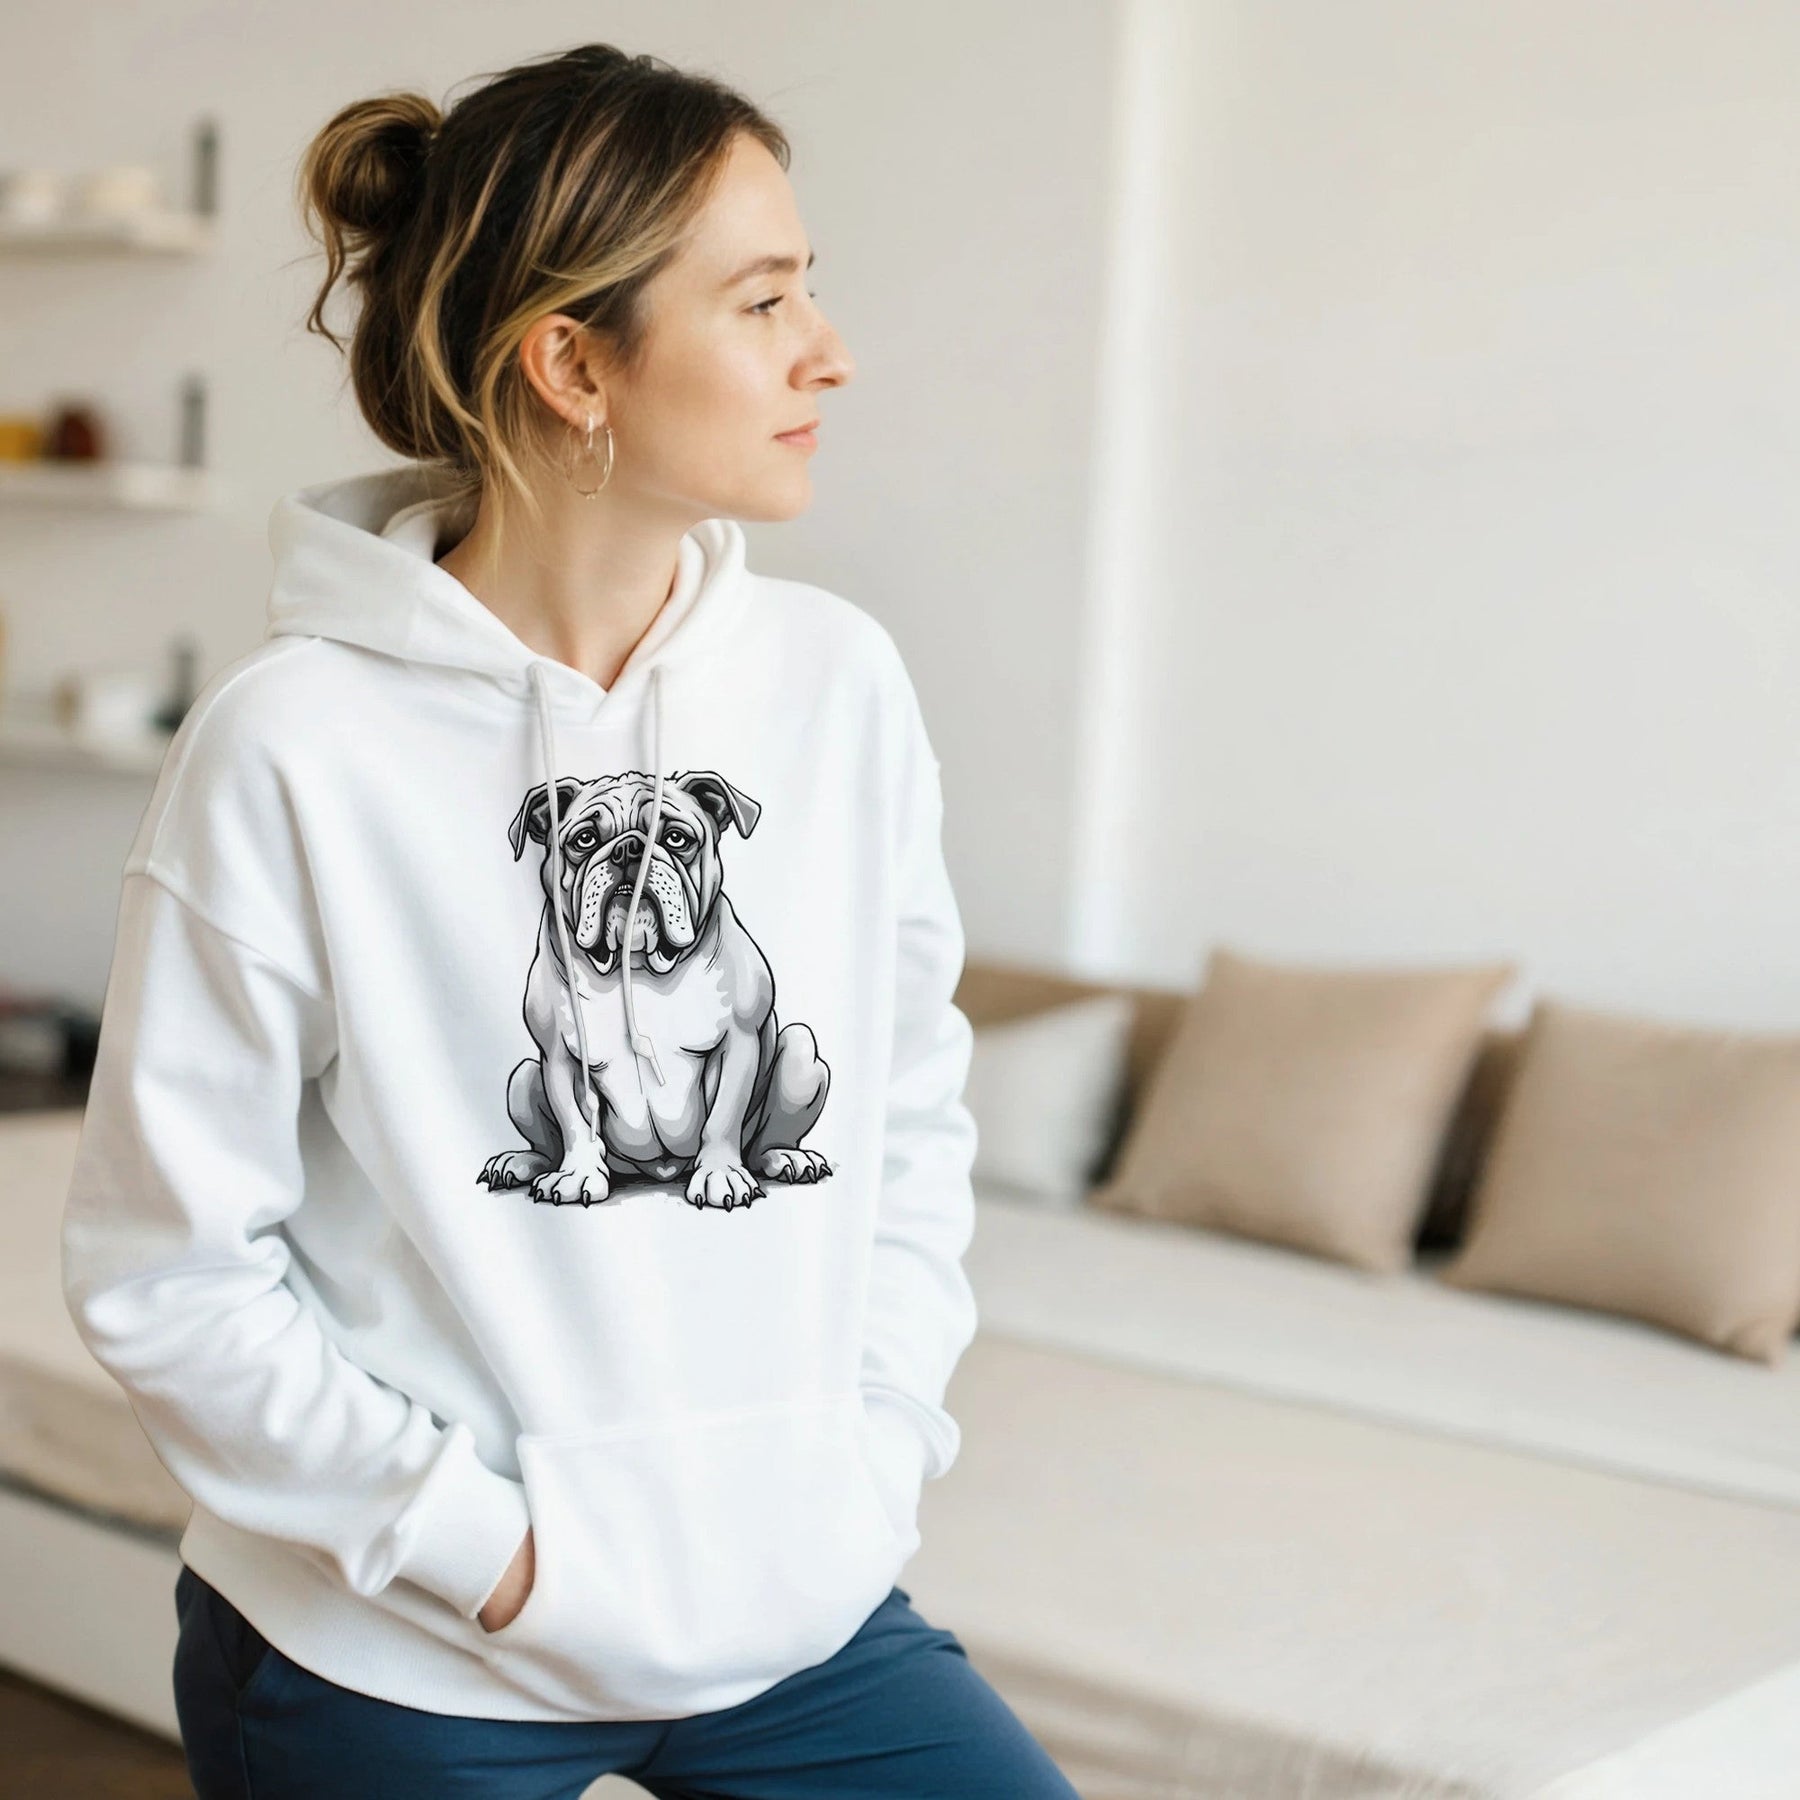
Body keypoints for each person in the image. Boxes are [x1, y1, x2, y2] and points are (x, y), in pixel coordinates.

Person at [59, 41, 1080, 1800]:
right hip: (407, 1638)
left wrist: (871, 1464)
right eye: (763, 300)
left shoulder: (839, 686)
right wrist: (488, 1554)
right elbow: (167, 1271)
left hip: (792, 1605)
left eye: (809, 289)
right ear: (572, 363)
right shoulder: (291, 745)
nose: (829, 351)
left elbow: (906, 1118)